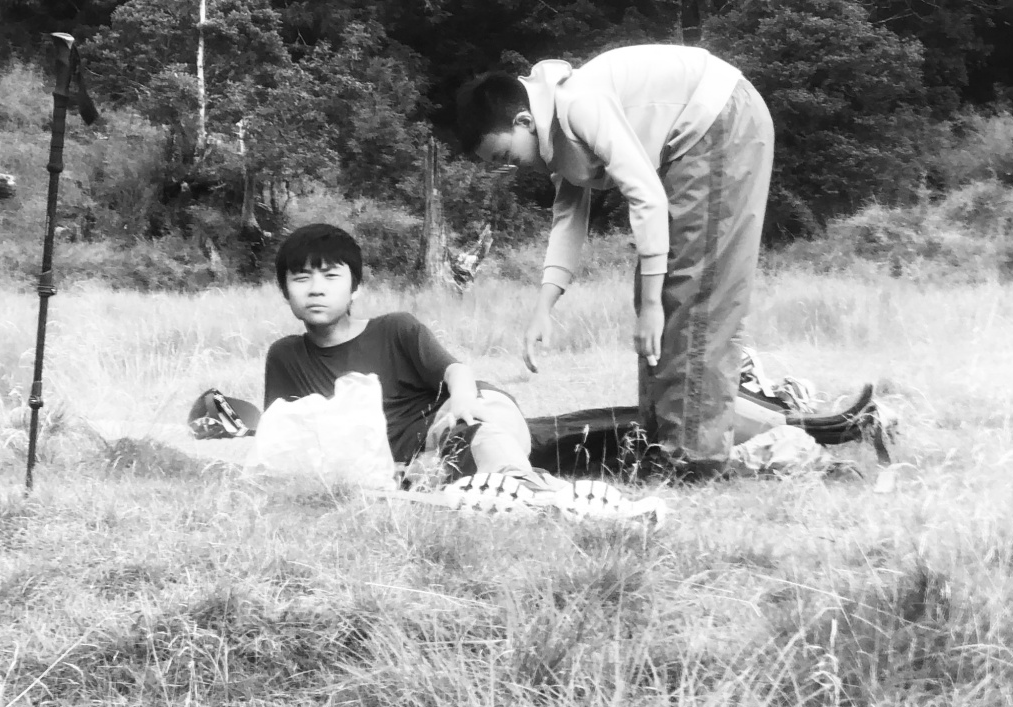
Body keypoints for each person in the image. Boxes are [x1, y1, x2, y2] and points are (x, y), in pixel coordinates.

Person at [452, 44, 774, 475]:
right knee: (661, 288)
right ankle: (663, 443)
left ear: (523, 121)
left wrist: (654, 305)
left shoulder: (577, 104)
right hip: (698, 135)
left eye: (506, 157)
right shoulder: (554, 134)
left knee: (691, 289)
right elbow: (568, 219)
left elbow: (646, 195)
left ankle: (692, 459)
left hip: (720, 118)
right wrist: (543, 308)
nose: (511, 168)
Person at [261, 222, 532, 474]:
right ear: (285, 291)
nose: (316, 289)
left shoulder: (395, 329)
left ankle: (523, 484)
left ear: (355, 288)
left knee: (481, 432)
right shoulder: (286, 356)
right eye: (301, 278)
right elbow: (281, 436)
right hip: (409, 459)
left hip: (459, 414)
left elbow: (456, 371)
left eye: (331, 276)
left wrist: (464, 400)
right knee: (429, 471)